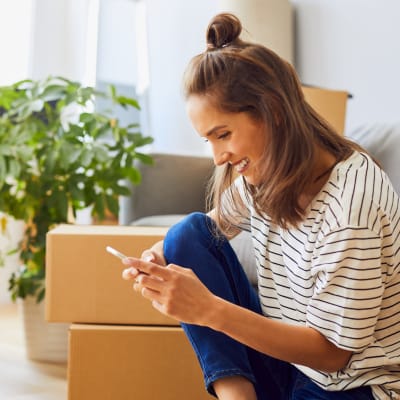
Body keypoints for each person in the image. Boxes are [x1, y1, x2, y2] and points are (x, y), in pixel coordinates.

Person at [121, 13, 400, 400]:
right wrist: (158, 257)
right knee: (187, 234)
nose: (218, 157)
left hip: (350, 387)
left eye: (224, 134)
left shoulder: (352, 208)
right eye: (209, 140)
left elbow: (333, 355)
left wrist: (208, 309)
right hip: (291, 368)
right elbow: (211, 227)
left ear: (274, 111)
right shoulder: (265, 174)